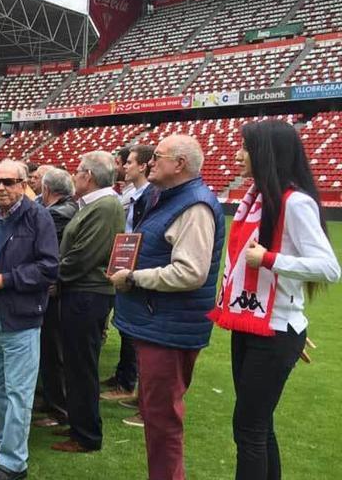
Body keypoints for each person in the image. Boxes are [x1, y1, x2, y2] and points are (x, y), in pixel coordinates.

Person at [209, 120, 340, 480]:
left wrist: (269, 259)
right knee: (258, 426)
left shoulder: (294, 203)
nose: (238, 155)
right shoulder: (256, 200)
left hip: (274, 331)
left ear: (266, 153)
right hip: (253, 326)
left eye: (246, 148)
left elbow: (329, 268)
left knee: (248, 428)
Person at [109, 134, 225, 480]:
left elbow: (190, 272)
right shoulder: (169, 197)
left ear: (180, 164)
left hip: (170, 326)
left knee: (162, 421)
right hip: (159, 321)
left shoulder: (194, 206)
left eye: (157, 157)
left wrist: (135, 277)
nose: (149, 162)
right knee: (157, 417)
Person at [0, 160, 58, 480]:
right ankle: (5, 448)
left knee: (18, 392)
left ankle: (15, 463)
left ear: (22, 184)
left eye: (9, 182)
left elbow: (48, 268)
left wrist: (7, 279)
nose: (2, 187)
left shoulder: (38, 217)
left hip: (22, 317)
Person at [51, 151, 125, 454]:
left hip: (87, 294)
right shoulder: (96, 205)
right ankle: (80, 425)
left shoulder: (105, 206)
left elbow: (83, 255)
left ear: (89, 176)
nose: (74, 175)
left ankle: (86, 435)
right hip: (81, 292)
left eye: (78, 170)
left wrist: (53, 277)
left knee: (81, 366)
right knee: (76, 364)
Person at [102, 145, 156, 409]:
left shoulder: (149, 195)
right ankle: (124, 377)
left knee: (134, 332)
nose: (125, 167)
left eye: (131, 162)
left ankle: (129, 383)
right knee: (125, 327)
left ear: (143, 165)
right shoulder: (135, 193)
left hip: (136, 269)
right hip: (125, 265)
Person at [34, 167, 78, 428]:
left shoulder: (57, 214)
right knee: (50, 349)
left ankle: (59, 408)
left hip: (54, 289)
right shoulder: (64, 210)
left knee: (54, 349)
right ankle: (52, 400)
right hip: (56, 288)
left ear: (47, 189)